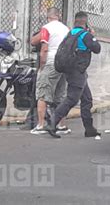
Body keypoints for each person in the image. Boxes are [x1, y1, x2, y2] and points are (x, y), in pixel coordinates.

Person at [45, 11, 101, 138]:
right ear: (85, 22)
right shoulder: (85, 35)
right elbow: (97, 49)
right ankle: (52, 123)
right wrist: (93, 35)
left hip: (71, 70)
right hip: (78, 71)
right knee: (72, 98)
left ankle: (89, 128)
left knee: (86, 99)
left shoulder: (70, 33)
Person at [29, 7, 71, 135]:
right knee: (61, 95)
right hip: (64, 63)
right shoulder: (66, 29)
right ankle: (62, 125)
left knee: (42, 93)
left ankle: (41, 125)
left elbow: (45, 49)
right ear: (59, 16)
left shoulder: (46, 28)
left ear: (48, 17)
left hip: (51, 62)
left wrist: (42, 65)